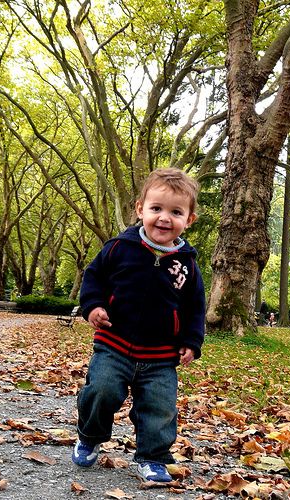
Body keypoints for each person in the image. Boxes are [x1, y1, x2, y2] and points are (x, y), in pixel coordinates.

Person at [72, 168, 206, 484]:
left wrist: (191, 339)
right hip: (114, 345)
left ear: (189, 220)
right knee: (101, 391)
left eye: (175, 212)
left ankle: (153, 457)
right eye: (156, 208)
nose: (164, 218)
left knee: (160, 409)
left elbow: (195, 306)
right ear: (139, 209)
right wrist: (93, 306)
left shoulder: (186, 264)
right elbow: (93, 277)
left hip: (160, 357)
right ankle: (89, 436)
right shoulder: (120, 247)